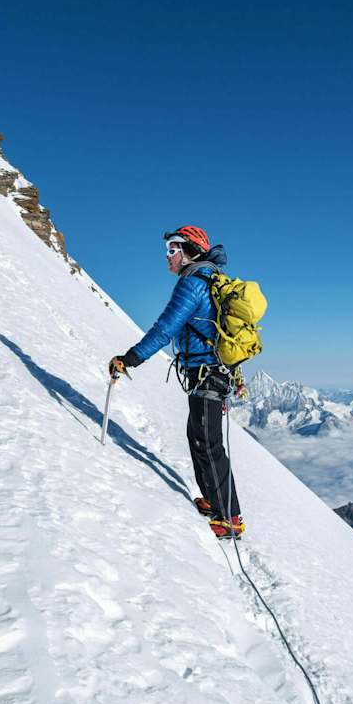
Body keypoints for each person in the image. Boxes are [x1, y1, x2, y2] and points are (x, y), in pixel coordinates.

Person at [108, 226, 244, 539]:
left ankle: (230, 518)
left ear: (189, 251)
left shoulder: (193, 282)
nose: (167, 256)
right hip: (209, 372)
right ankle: (213, 502)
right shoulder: (207, 279)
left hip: (207, 372)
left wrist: (130, 358)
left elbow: (165, 328)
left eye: (172, 249)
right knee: (199, 437)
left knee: (208, 443)